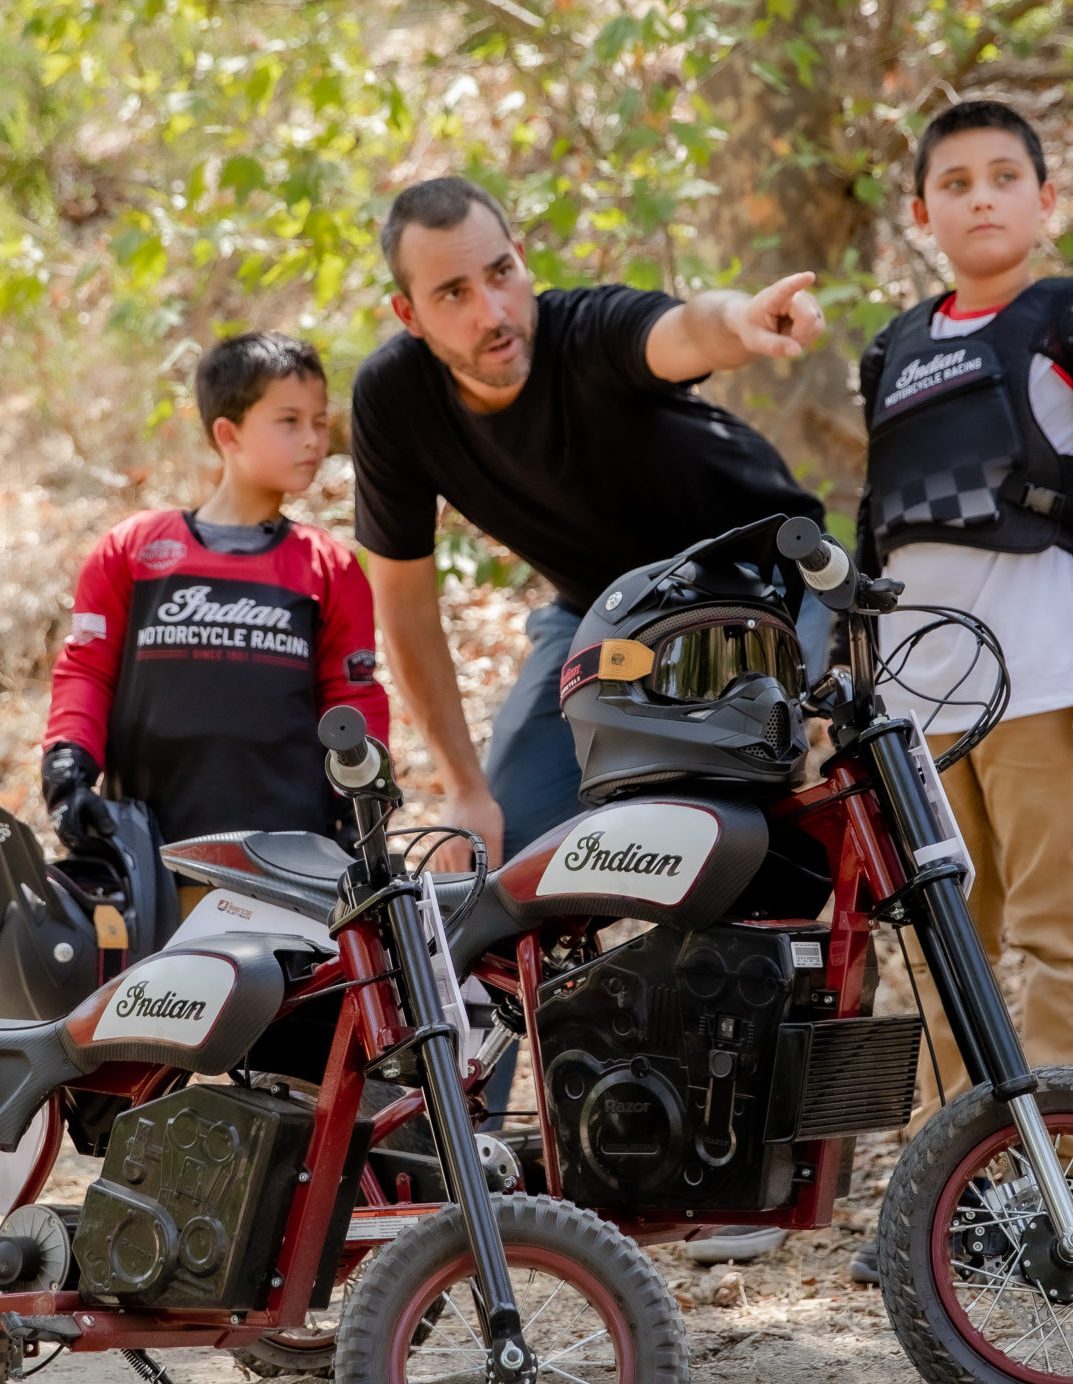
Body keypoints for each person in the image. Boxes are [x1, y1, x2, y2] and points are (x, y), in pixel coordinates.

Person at [847, 99, 1073, 1283]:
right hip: (916, 701)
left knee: (1057, 934)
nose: (982, 196)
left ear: (1045, 201)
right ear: (922, 212)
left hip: (1049, 673)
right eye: (957, 181)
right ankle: (961, 1203)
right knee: (943, 949)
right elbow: (873, 536)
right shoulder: (890, 350)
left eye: (1007, 177)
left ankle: (1071, 1192)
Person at [350, 174, 832, 867]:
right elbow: (404, 606)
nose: (491, 312)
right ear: (408, 314)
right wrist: (462, 787)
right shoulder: (393, 400)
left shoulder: (586, 331)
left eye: (500, 273)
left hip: (766, 579)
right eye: (453, 294)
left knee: (748, 847)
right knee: (501, 856)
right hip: (603, 615)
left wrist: (740, 320)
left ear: (521, 258)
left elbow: (685, 331)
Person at [41, 330, 388, 856]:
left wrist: (363, 808)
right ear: (228, 434)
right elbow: (87, 671)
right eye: (289, 421)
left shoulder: (329, 565)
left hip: (294, 862)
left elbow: (352, 697)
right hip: (148, 855)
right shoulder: (131, 550)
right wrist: (67, 775)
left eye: (319, 421)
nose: (315, 440)